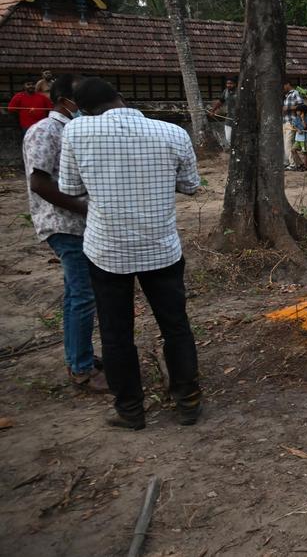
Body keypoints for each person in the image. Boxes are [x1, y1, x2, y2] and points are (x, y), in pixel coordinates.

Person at [59, 77, 202, 430]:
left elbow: (71, 189)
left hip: (107, 251)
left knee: (115, 332)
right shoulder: (171, 133)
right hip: (161, 249)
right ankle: (187, 401)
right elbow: (191, 186)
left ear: (84, 110)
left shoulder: (76, 133)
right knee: (176, 326)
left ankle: (130, 410)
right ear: (120, 98)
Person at [22, 74, 105, 393]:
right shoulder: (45, 131)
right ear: (64, 101)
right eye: (79, 98)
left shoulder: (72, 130)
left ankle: (79, 357)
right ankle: (82, 369)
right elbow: (39, 183)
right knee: (84, 295)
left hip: (77, 224)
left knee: (76, 295)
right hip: (63, 224)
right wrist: (84, 208)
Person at [282, 81, 305, 168]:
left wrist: (288, 108)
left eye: (283, 86)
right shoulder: (286, 95)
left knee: (288, 143)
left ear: (287, 84)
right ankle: (291, 162)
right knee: (285, 144)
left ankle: (293, 164)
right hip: (285, 121)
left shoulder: (295, 93)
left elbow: (301, 106)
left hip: (292, 122)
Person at [289, 102, 307, 171]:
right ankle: (300, 164)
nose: (296, 112)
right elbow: (294, 126)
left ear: (302, 112)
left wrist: (302, 119)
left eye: (298, 111)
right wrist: (297, 129)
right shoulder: (296, 118)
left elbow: (306, 127)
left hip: (305, 139)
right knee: (293, 150)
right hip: (298, 138)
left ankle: (306, 166)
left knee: (304, 152)